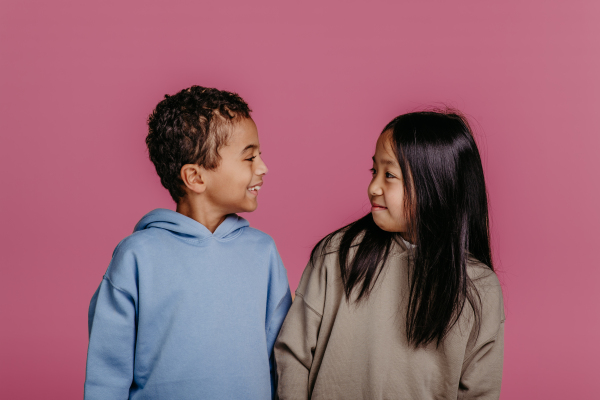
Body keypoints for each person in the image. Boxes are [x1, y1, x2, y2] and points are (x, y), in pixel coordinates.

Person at [275, 110, 505, 400]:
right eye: (374, 171)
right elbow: (292, 354)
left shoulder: (479, 288)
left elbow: (479, 392)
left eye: (390, 175)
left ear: (435, 185)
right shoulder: (336, 254)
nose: (373, 187)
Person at [84, 86, 292, 400]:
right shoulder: (137, 257)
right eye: (249, 157)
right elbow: (106, 376)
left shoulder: (263, 253)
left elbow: (282, 358)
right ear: (195, 177)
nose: (262, 167)